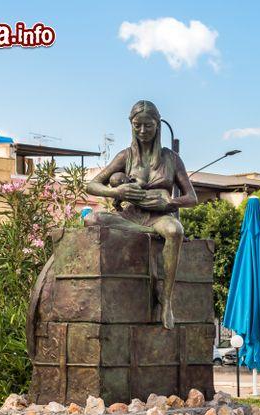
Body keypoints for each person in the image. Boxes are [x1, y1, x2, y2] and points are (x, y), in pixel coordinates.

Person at [85, 100, 198, 329]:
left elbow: (192, 198)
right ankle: (146, 233)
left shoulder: (171, 158)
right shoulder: (125, 156)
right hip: (132, 216)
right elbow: (92, 185)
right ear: (131, 125)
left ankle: (166, 300)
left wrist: (169, 202)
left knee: (175, 230)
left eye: (148, 125)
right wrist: (116, 190)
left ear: (157, 125)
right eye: (137, 126)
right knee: (91, 219)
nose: (143, 131)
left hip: (159, 216)